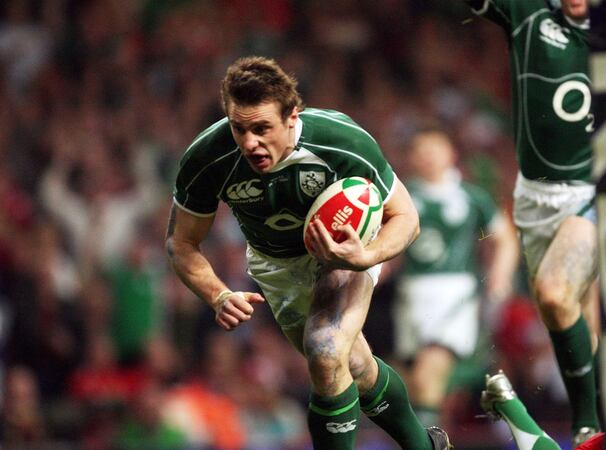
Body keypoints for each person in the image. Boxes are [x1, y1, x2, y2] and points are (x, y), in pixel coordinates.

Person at [165, 56, 452, 449]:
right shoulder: (207, 158)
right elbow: (181, 242)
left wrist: (366, 256)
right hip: (275, 265)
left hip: (342, 253)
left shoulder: (340, 141)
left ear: (291, 117)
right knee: (355, 366)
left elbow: (406, 217)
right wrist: (218, 294)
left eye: (262, 128)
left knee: (325, 349)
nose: (249, 142)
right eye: (238, 128)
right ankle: (427, 445)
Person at [461, 0, 603, 446]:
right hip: (534, 199)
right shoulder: (530, 12)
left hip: (594, 190)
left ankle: (587, 424)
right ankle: (594, 423)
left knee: (555, 294)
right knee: (571, 315)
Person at [393, 127, 519, 427]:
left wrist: (499, 275)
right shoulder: (401, 196)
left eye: (435, 149)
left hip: (454, 295)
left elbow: (504, 238)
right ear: (411, 158)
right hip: (411, 297)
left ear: (452, 153)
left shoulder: (471, 197)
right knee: (418, 386)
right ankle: (436, 438)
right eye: (421, 151)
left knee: (428, 373)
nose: (428, 157)